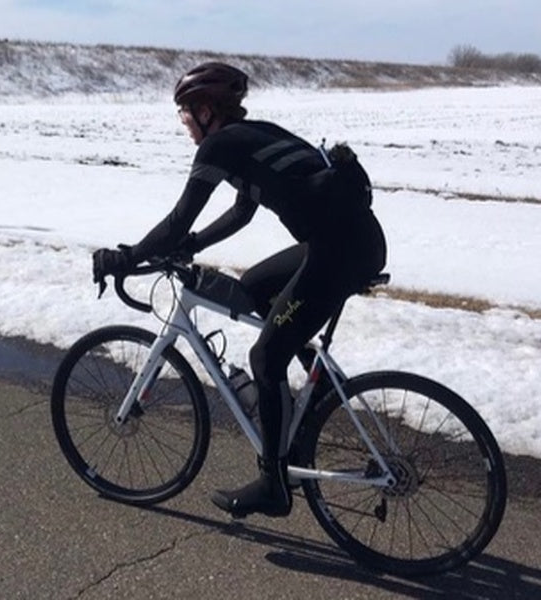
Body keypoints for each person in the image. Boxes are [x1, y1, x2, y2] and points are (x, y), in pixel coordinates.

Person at [92, 62, 387, 518]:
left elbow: (178, 219)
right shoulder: (249, 138)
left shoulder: (221, 146)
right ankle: (311, 383)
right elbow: (242, 212)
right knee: (253, 288)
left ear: (206, 110)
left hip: (338, 252)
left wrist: (126, 257)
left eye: (185, 114)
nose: (184, 124)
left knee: (265, 358)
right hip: (349, 242)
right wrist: (193, 246)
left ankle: (274, 484)